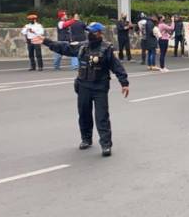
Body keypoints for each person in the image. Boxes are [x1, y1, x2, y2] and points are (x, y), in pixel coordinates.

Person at [33, 23, 129, 157]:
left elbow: (116, 66)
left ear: (100, 33)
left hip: (100, 87)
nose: (90, 34)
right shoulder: (82, 46)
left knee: (102, 117)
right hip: (83, 85)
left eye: (93, 32)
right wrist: (46, 41)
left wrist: (124, 82)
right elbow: (64, 47)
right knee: (84, 114)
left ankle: (106, 145)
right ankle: (86, 139)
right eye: (89, 32)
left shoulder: (106, 49)